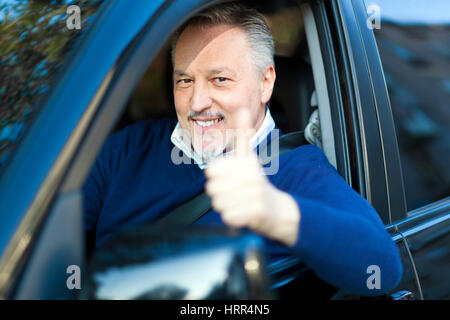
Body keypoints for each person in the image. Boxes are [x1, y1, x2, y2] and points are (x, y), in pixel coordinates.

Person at [82, 2, 402, 296]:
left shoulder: (299, 173)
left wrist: (273, 211)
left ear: (265, 83)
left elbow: (382, 269)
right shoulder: (128, 148)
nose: (197, 102)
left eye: (219, 79)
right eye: (185, 81)